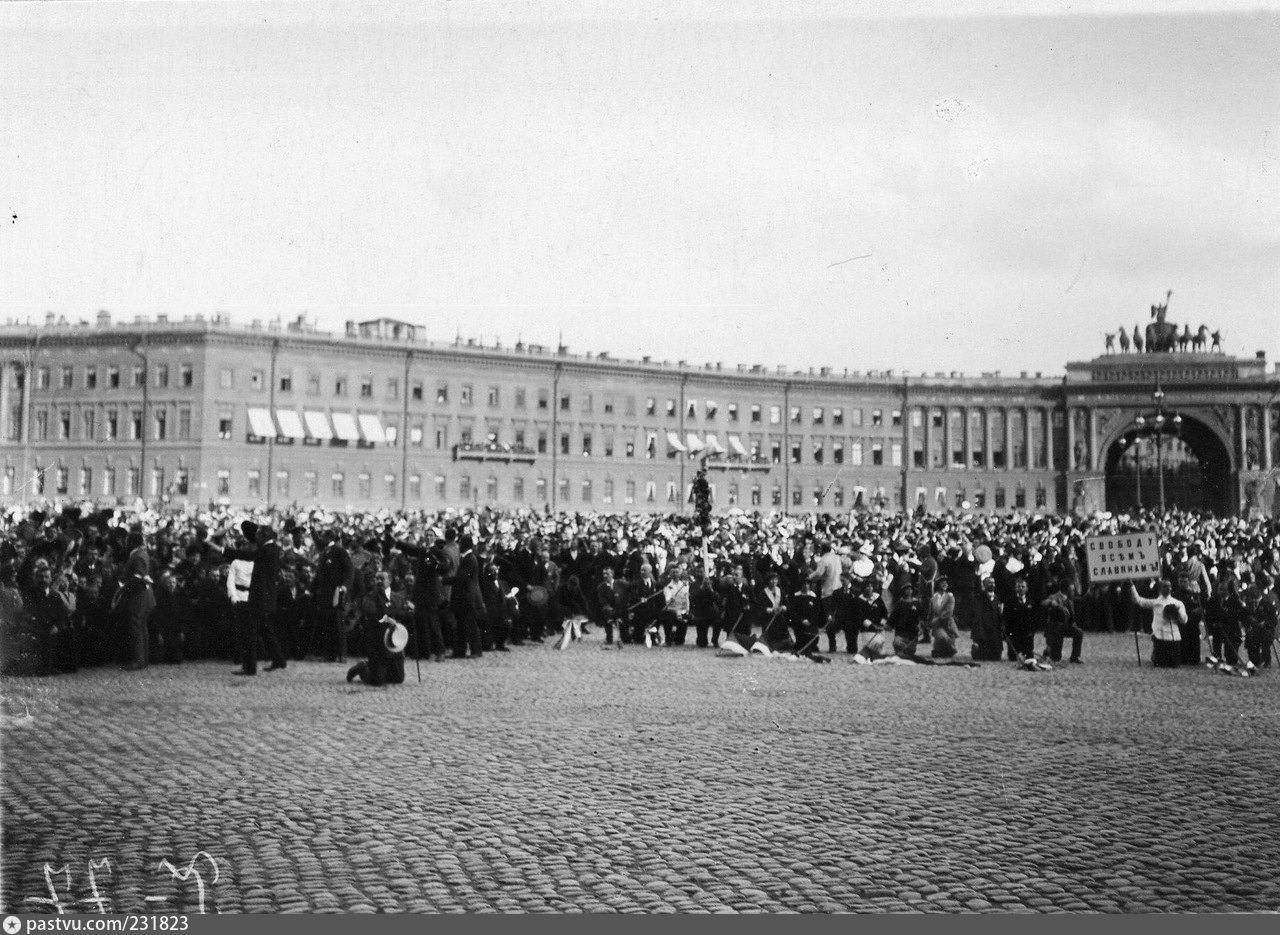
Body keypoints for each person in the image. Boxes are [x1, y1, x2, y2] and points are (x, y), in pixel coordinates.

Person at [221, 521, 287, 676]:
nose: (255, 538)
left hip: (260, 598)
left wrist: (225, 550)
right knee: (265, 629)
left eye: (258, 536)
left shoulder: (267, 550)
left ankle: (250, 667)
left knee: (248, 633)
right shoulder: (272, 548)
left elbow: (249, 555)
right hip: (265, 597)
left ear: (264, 536)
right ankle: (278, 660)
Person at [1130, 578, 1185, 668]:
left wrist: (1177, 615)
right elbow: (1139, 600)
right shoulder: (1155, 603)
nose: (1168, 588)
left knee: (1174, 664)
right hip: (1160, 638)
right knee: (1160, 664)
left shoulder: (1178, 603)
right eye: (1165, 586)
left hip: (1174, 639)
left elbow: (1184, 620)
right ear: (1160, 589)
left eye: (1169, 586)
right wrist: (1132, 586)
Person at [450, 534, 486, 659]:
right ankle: (460, 651)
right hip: (464, 597)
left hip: (468, 597)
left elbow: (462, 577)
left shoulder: (470, 559)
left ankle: (476, 651)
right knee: (462, 624)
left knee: (470, 624)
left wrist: (445, 580)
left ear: (464, 545)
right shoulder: (468, 558)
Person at [1042, 580, 1083, 664]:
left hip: (1066, 626)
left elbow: (1071, 616)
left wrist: (1074, 624)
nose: (1074, 592)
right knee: (1056, 658)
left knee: (1079, 633)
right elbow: (1043, 603)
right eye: (1072, 590)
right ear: (1066, 590)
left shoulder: (1069, 599)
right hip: (1055, 629)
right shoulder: (1054, 597)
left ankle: (1075, 657)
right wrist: (1051, 602)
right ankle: (1048, 650)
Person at [969, 576, 1005, 661]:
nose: (992, 585)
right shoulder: (979, 598)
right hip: (983, 631)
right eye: (989, 583)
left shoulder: (997, 598)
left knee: (996, 657)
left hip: (994, 632)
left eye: (993, 583)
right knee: (981, 657)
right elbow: (977, 617)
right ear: (984, 585)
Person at [1003, 577, 1035, 661]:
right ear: (1015, 588)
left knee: (1029, 658)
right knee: (1013, 658)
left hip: (1027, 635)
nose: (1020, 589)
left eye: (1023, 586)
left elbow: (1034, 619)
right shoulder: (1009, 602)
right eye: (1018, 586)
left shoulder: (1031, 602)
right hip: (1014, 635)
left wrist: (1032, 632)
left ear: (1027, 588)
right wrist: (1008, 634)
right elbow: (1006, 618)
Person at [595, 565, 627, 646]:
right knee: (607, 613)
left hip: (621, 608)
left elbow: (629, 591)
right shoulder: (601, 587)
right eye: (604, 574)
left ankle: (625, 637)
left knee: (626, 614)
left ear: (612, 574)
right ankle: (609, 638)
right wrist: (609, 608)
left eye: (607, 574)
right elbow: (603, 601)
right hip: (609, 609)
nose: (605, 576)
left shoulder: (620, 583)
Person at [928, 576, 958, 659]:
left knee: (945, 647)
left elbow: (949, 612)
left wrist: (936, 619)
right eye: (942, 583)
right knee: (941, 637)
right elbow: (931, 613)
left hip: (948, 625)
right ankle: (943, 649)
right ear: (938, 585)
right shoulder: (933, 598)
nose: (945, 584)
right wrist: (929, 623)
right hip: (938, 626)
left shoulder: (950, 597)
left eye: (946, 583)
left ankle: (949, 648)